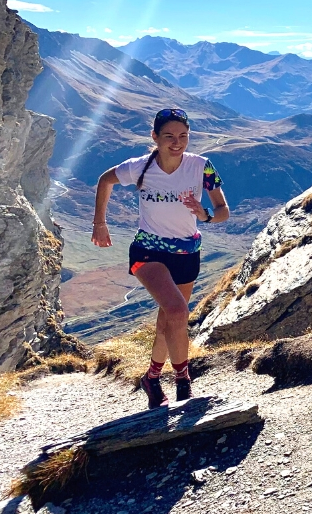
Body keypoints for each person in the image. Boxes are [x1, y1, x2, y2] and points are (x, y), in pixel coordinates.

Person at [91, 108, 229, 408]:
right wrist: (99, 223)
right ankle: (183, 381)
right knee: (178, 312)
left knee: (169, 320)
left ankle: (151, 378)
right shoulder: (140, 167)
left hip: (187, 253)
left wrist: (204, 215)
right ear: (155, 137)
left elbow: (223, 212)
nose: (177, 142)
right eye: (169, 136)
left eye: (183, 136)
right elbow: (105, 180)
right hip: (148, 251)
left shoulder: (202, 167)